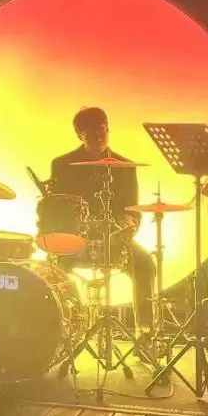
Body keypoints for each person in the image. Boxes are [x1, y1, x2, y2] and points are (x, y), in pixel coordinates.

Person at [48, 106, 154, 327]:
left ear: (108, 128)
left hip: (113, 238)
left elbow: (132, 209)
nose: (99, 136)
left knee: (145, 265)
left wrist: (128, 225)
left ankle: (145, 332)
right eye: (91, 131)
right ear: (80, 134)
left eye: (102, 129)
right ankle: (61, 328)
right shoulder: (62, 165)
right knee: (53, 272)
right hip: (75, 238)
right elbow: (56, 208)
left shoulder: (125, 166)